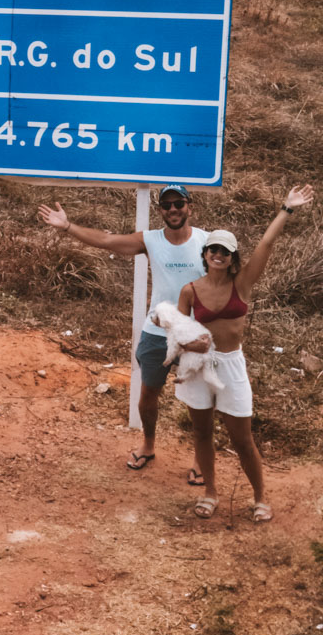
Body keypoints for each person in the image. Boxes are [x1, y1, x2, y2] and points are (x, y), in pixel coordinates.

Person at [38, 185, 208, 481]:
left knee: (197, 400)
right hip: (157, 332)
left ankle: (200, 458)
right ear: (160, 212)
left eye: (178, 203)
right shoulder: (151, 240)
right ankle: (148, 445)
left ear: (189, 206)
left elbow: (234, 276)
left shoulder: (207, 241)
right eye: (166, 205)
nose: (173, 209)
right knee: (148, 395)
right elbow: (106, 240)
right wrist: (67, 226)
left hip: (194, 335)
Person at [175, 183, 315, 524]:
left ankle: (259, 497)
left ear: (233, 257)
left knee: (242, 437)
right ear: (205, 254)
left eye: (225, 251)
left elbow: (266, 244)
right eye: (213, 250)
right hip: (198, 366)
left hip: (230, 365)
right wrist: (188, 345)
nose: (218, 255)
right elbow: (177, 332)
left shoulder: (243, 284)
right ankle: (209, 492)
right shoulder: (190, 290)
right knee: (202, 432)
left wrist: (287, 208)